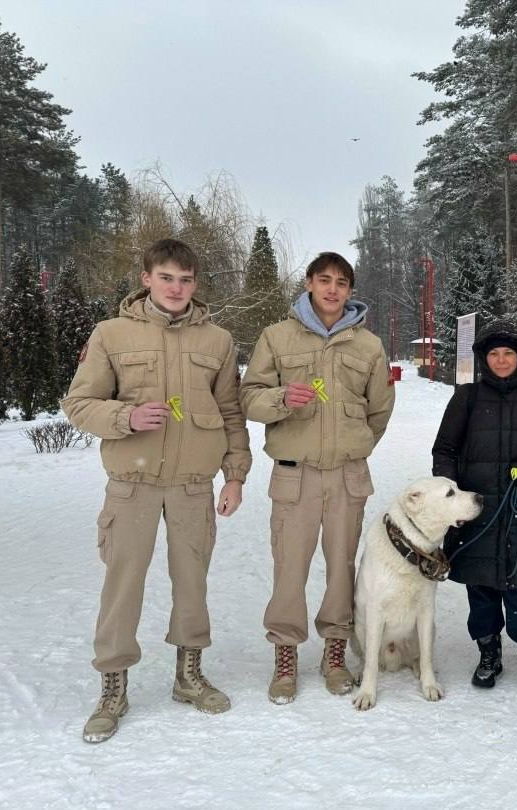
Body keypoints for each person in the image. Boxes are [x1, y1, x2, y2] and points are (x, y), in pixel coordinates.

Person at [63, 238, 252, 743]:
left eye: (185, 280)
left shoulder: (217, 341)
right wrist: (125, 417)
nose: (176, 288)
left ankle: (189, 676)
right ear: (146, 279)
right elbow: (79, 404)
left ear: (196, 284)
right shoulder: (111, 334)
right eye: (166, 277)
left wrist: (235, 475)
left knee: (193, 584)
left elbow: (231, 413)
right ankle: (113, 687)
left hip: (192, 485)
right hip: (133, 485)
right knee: (122, 587)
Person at [240, 251, 394, 704]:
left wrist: (355, 444)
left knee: (342, 568)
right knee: (289, 568)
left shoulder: (368, 346)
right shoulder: (276, 337)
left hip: (347, 476)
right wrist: (282, 399)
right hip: (296, 475)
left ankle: (335, 651)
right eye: (324, 280)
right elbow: (248, 398)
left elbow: (379, 410)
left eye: (342, 283)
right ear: (308, 283)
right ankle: (285, 654)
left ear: (350, 291)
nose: (332, 289)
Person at [431, 321, 517, 699]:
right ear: (484, 359)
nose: (501, 360)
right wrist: (452, 494)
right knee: (482, 585)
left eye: (508, 353)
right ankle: (488, 653)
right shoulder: (467, 398)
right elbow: (445, 449)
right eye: (494, 353)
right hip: (476, 507)